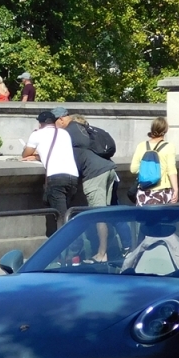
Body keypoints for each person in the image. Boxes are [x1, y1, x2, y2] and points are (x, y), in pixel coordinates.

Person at [56, 108, 118, 261]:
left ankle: (102, 254)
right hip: (108, 168)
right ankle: (108, 250)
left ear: (62, 119)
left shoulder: (67, 134)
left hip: (94, 174)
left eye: (55, 122)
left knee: (98, 215)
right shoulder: (80, 129)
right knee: (103, 214)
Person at [23, 110, 80, 229]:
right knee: (67, 212)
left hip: (56, 177)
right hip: (73, 177)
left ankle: (72, 246)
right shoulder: (64, 133)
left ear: (41, 123)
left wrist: (32, 153)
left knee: (62, 217)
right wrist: (38, 155)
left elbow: (25, 154)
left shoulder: (37, 134)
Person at [130, 117, 178, 205]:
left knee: (142, 218)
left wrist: (147, 171)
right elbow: (171, 170)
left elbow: (133, 169)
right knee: (162, 218)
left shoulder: (141, 146)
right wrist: (176, 190)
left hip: (143, 192)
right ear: (165, 130)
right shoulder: (169, 147)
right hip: (162, 191)